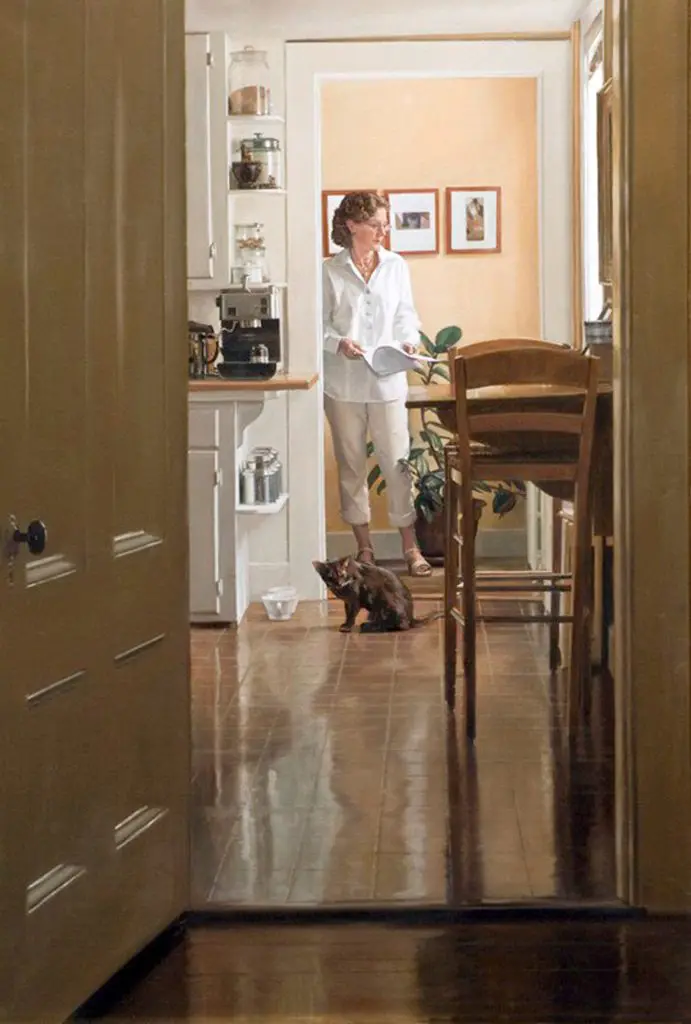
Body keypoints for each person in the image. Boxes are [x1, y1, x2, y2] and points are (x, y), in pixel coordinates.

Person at [322, 190, 432, 577]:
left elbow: (407, 316)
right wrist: (338, 343)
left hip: (387, 382)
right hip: (343, 385)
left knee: (397, 464)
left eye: (386, 224)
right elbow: (315, 327)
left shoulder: (396, 266)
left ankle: (410, 547)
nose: (384, 231)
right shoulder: (327, 271)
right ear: (352, 226)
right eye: (376, 225)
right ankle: (365, 548)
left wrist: (408, 341)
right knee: (351, 465)